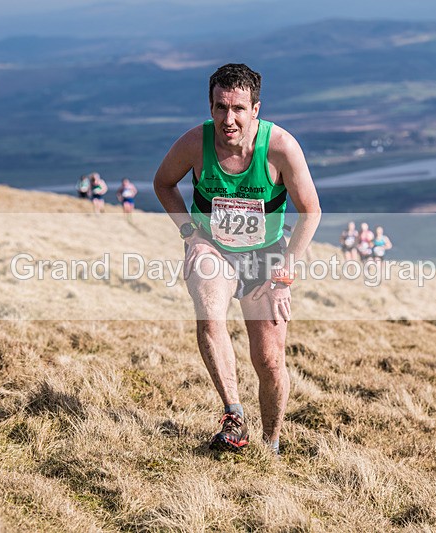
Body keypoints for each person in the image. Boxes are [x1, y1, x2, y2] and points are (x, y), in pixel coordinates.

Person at [153, 63, 321, 454]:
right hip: (215, 249)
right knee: (210, 312)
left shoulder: (280, 147)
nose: (229, 119)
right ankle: (234, 416)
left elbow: (311, 212)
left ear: (256, 109)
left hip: (266, 258)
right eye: (220, 107)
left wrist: (285, 274)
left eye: (238, 109)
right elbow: (163, 183)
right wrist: (190, 234)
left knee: (268, 359)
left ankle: (272, 441)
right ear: (210, 107)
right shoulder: (195, 143)